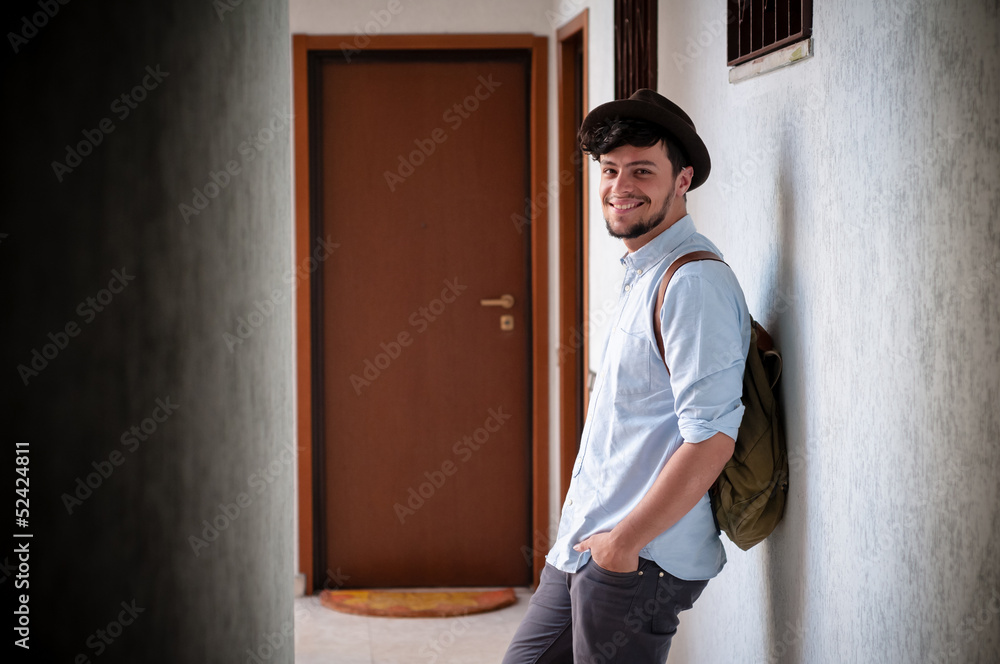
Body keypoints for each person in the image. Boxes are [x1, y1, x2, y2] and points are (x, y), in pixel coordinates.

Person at [502, 89, 751, 663]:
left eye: (642, 170)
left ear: (682, 179)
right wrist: (596, 545)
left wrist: (623, 544)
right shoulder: (645, 270)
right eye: (610, 170)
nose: (621, 187)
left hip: (637, 561)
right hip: (586, 548)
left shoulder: (691, 284)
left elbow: (712, 435)